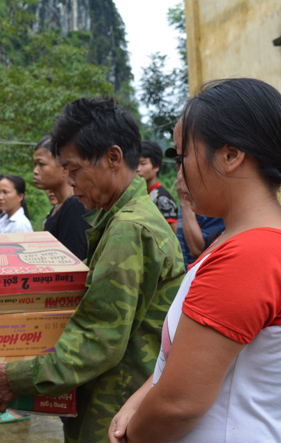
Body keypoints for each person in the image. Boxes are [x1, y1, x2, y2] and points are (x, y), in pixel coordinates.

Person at [0, 97, 185, 443]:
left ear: (113, 158)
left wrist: (15, 377)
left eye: (75, 169)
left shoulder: (129, 229)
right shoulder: (119, 219)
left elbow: (99, 338)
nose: (71, 181)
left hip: (114, 408)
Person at [109, 78, 281, 443]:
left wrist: (133, 434)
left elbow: (178, 405)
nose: (179, 172)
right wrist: (138, 401)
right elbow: (188, 360)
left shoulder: (247, 256)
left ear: (230, 156)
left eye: (182, 156)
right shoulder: (242, 244)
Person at [165, 146, 225, 269]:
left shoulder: (211, 201)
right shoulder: (187, 194)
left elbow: (198, 250)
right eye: (178, 162)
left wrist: (185, 203)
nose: (179, 171)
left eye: (184, 160)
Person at [33, 135, 90, 260]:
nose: (35, 171)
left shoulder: (75, 205)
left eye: (41, 164)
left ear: (65, 168)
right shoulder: (58, 207)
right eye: (35, 164)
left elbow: (74, 262)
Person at [137, 141, 178, 233]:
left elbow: (172, 235)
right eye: (135, 164)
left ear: (156, 167)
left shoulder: (162, 198)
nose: (138, 169)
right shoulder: (142, 194)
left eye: (143, 164)